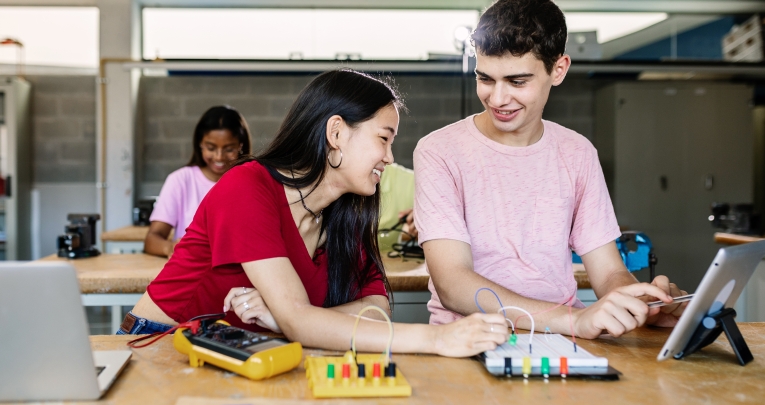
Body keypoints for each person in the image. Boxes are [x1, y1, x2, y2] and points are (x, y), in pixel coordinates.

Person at [122, 69, 508, 358]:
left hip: (247, 352)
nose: (390, 157)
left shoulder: (343, 213)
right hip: (158, 345)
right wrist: (437, 339)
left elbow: (377, 310)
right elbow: (299, 319)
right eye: (384, 138)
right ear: (337, 133)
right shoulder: (247, 187)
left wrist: (288, 322)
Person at [413, 0, 688, 340]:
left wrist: (639, 300)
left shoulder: (578, 153)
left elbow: (608, 272)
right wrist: (574, 321)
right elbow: (452, 283)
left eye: (517, 81)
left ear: (558, 69)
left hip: (562, 344)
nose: (497, 98)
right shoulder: (439, 151)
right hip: (468, 342)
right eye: (485, 78)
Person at [144, 106, 252, 257]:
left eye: (229, 149)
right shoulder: (180, 180)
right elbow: (152, 238)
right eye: (211, 148)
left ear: (241, 146)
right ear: (200, 144)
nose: (219, 157)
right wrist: (169, 248)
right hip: (192, 269)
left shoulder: (250, 183)